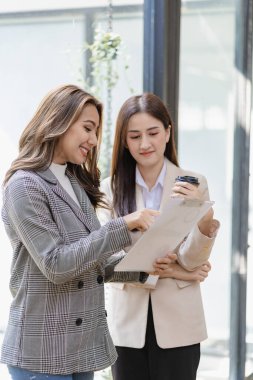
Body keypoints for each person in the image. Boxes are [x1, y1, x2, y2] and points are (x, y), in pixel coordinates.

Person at [0, 85, 166, 380]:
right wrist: (124, 224)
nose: (93, 140)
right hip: (41, 353)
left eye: (96, 130)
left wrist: (144, 265)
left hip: (80, 349)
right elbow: (56, 265)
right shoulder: (25, 185)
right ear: (58, 121)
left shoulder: (74, 183)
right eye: (87, 128)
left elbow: (94, 264)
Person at [98, 93, 220, 380]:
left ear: (167, 132)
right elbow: (106, 265)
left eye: (153, 133)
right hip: (127, 326)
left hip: (180, 323)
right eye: (134, 136)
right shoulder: (109, 189)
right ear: (124, 142)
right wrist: (176, 272)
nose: (145, 144)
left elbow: (193, 260)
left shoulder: (195, 182)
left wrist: (204, 218)